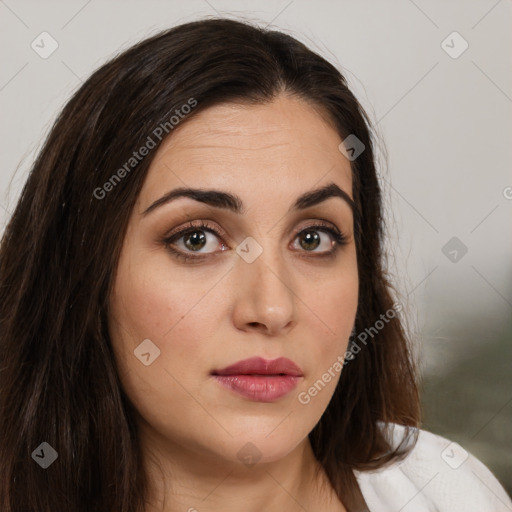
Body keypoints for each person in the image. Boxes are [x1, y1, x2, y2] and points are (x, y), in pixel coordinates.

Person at [0, 17, 510, 512]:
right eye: (197, 239)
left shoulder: (448, 491)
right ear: (83, 274)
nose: (271, 307)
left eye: (313, 238)